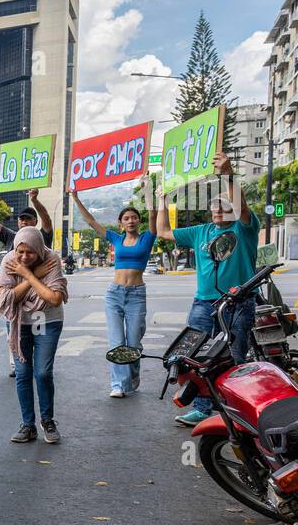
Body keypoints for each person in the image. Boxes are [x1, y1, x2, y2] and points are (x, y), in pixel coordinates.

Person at [156, 152, 258, 427]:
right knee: (198, 357)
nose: (217, 210)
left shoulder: (245, 227)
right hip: (204, 302)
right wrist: (161, 202)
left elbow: (243, 206)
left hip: (238, 301)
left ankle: (234, 412)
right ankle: (202, 409)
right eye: (214, 206)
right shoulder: (201, 231)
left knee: (235, 355)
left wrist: (227, 175)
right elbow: (164, 232)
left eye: (224, 206)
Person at [69, 191, 156, 398]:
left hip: (136, 295)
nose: (131, 220)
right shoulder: (116, 238)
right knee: (117, 342)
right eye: (126, 218)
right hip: (114, 294)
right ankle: (118, 383)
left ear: (138, 221)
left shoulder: (146, 238)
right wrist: (75, 198)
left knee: (133, 343)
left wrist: (148, 190)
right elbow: (91, 221)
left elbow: (153, 215)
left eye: (134, 217)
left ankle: (132, 379)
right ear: (121, 223)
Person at [0, 226, 69, 444]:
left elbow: (54, 298)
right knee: (23, 373)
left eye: (30, 252)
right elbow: (6, 298)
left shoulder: (51, 259)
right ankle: (28, 425)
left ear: (39, 249)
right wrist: (33, 277)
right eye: (21, 252)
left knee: (43, 372)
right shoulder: (9, 261)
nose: (25, 257)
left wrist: (26, 274)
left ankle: (47, 420)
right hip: (20, 323)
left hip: (48, 320)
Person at [0, 186, 54, 377]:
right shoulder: (10, 237)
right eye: (21, 219)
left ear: (35, 222)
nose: (24, 222)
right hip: (15, 297)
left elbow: (47, 220)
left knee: (39, 337)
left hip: (39, 300)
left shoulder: (41, 237)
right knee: (12, 333)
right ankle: (17, 366)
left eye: (28, 219)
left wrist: (34, 201)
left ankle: (36, 365)